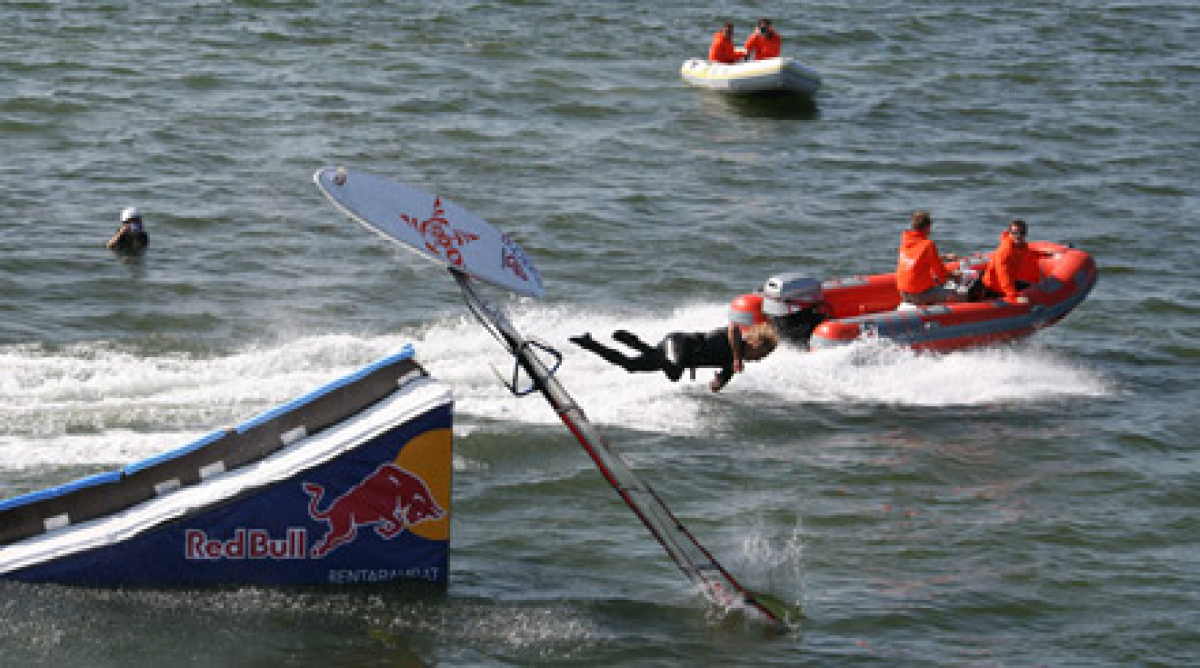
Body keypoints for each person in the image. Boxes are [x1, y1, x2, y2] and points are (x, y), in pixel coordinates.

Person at [570, 321, 778, 393]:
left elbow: (721, 381)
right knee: (674, 373)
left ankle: (589, 342)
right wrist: (735, 358)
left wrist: (717, 384)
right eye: (763, 353)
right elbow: (733, 327)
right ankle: (637, 343)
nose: (761, 359)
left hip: (676, 354)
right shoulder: (735, 341)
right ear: (755, 343)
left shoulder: (735, 365)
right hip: (679, 343)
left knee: (629, 365)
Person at [896, 210, 955, 305]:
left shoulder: (906, 241)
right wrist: (954, 276)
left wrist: (944, 257)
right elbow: (941, 272)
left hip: (903, 293)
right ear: (927, 227)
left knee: (935, 282)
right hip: (919, 295)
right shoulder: (928, 244)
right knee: (957, 293)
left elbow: (918, 258)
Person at [977, 219, 1044, 304]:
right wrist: (1013, 296)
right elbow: (1003, 275)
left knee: (1034, 289)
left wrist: (1043, 254)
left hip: (1010, 282)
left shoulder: (1021, 246)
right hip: (993, 288)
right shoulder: (1005, 251)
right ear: (1009, 233)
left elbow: (1029, 252)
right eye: (1015, 233)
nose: (1018, 236)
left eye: (1022, 233)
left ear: (1025, 234)